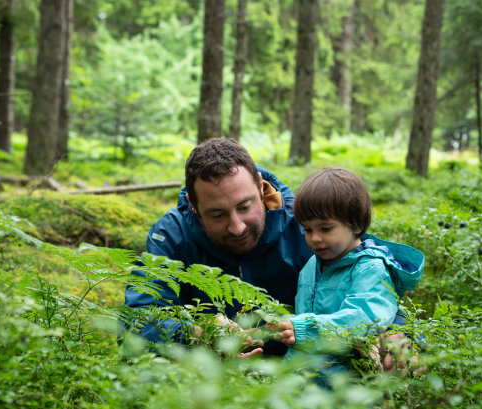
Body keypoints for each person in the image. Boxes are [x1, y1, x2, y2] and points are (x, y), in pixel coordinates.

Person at [124, 138, 418, 362]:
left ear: (262, 190)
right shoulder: (171, 237)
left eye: (244, 206)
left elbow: (370, 272)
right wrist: (199, 334)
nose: (236, 226)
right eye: (217, 214)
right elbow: (137, 322)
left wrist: (397, 333)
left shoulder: (304, 223)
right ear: (193, 206)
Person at [268, 167, 424, 376]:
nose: (314, 238)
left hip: (347, 381)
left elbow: (363, 320)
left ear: (356, 224)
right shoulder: (310, 267)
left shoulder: (370, 268)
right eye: (308, 229)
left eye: (325, 229)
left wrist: (304, 329)